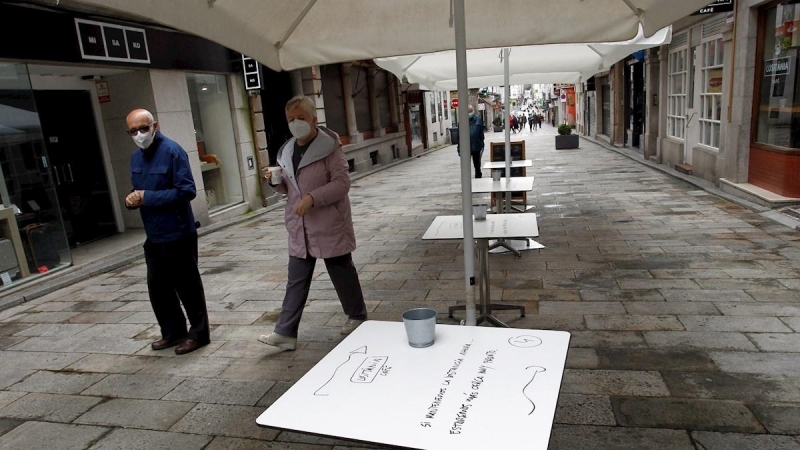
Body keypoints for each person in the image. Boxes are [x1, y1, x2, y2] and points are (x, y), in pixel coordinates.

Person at [258, 96, 368, 351]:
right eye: (291, 119)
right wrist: (274, 181)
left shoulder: (330, 147)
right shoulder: (286, 150)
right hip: (299, 226)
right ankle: (285, 332)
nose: (296, 123)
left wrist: (313, 198)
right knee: (296, 278)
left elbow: (342, 183)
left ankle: (358, 316)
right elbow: (287, 189)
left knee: (341, 271)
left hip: (328, 222)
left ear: (313, 120)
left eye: (301, 118)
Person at [125, 109, 210, 355]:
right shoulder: (135, 158)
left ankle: (199, 334)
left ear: (155, 125)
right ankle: (173, 332)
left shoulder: (173, 151)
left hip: (178, 233)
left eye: (143, 128)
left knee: (188, 287)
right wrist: (132, 198)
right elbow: (138, 189)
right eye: (133, 131)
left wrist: (147, 197)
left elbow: (187, 191)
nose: (139, 134)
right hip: (154, 235)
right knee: (158, 288)